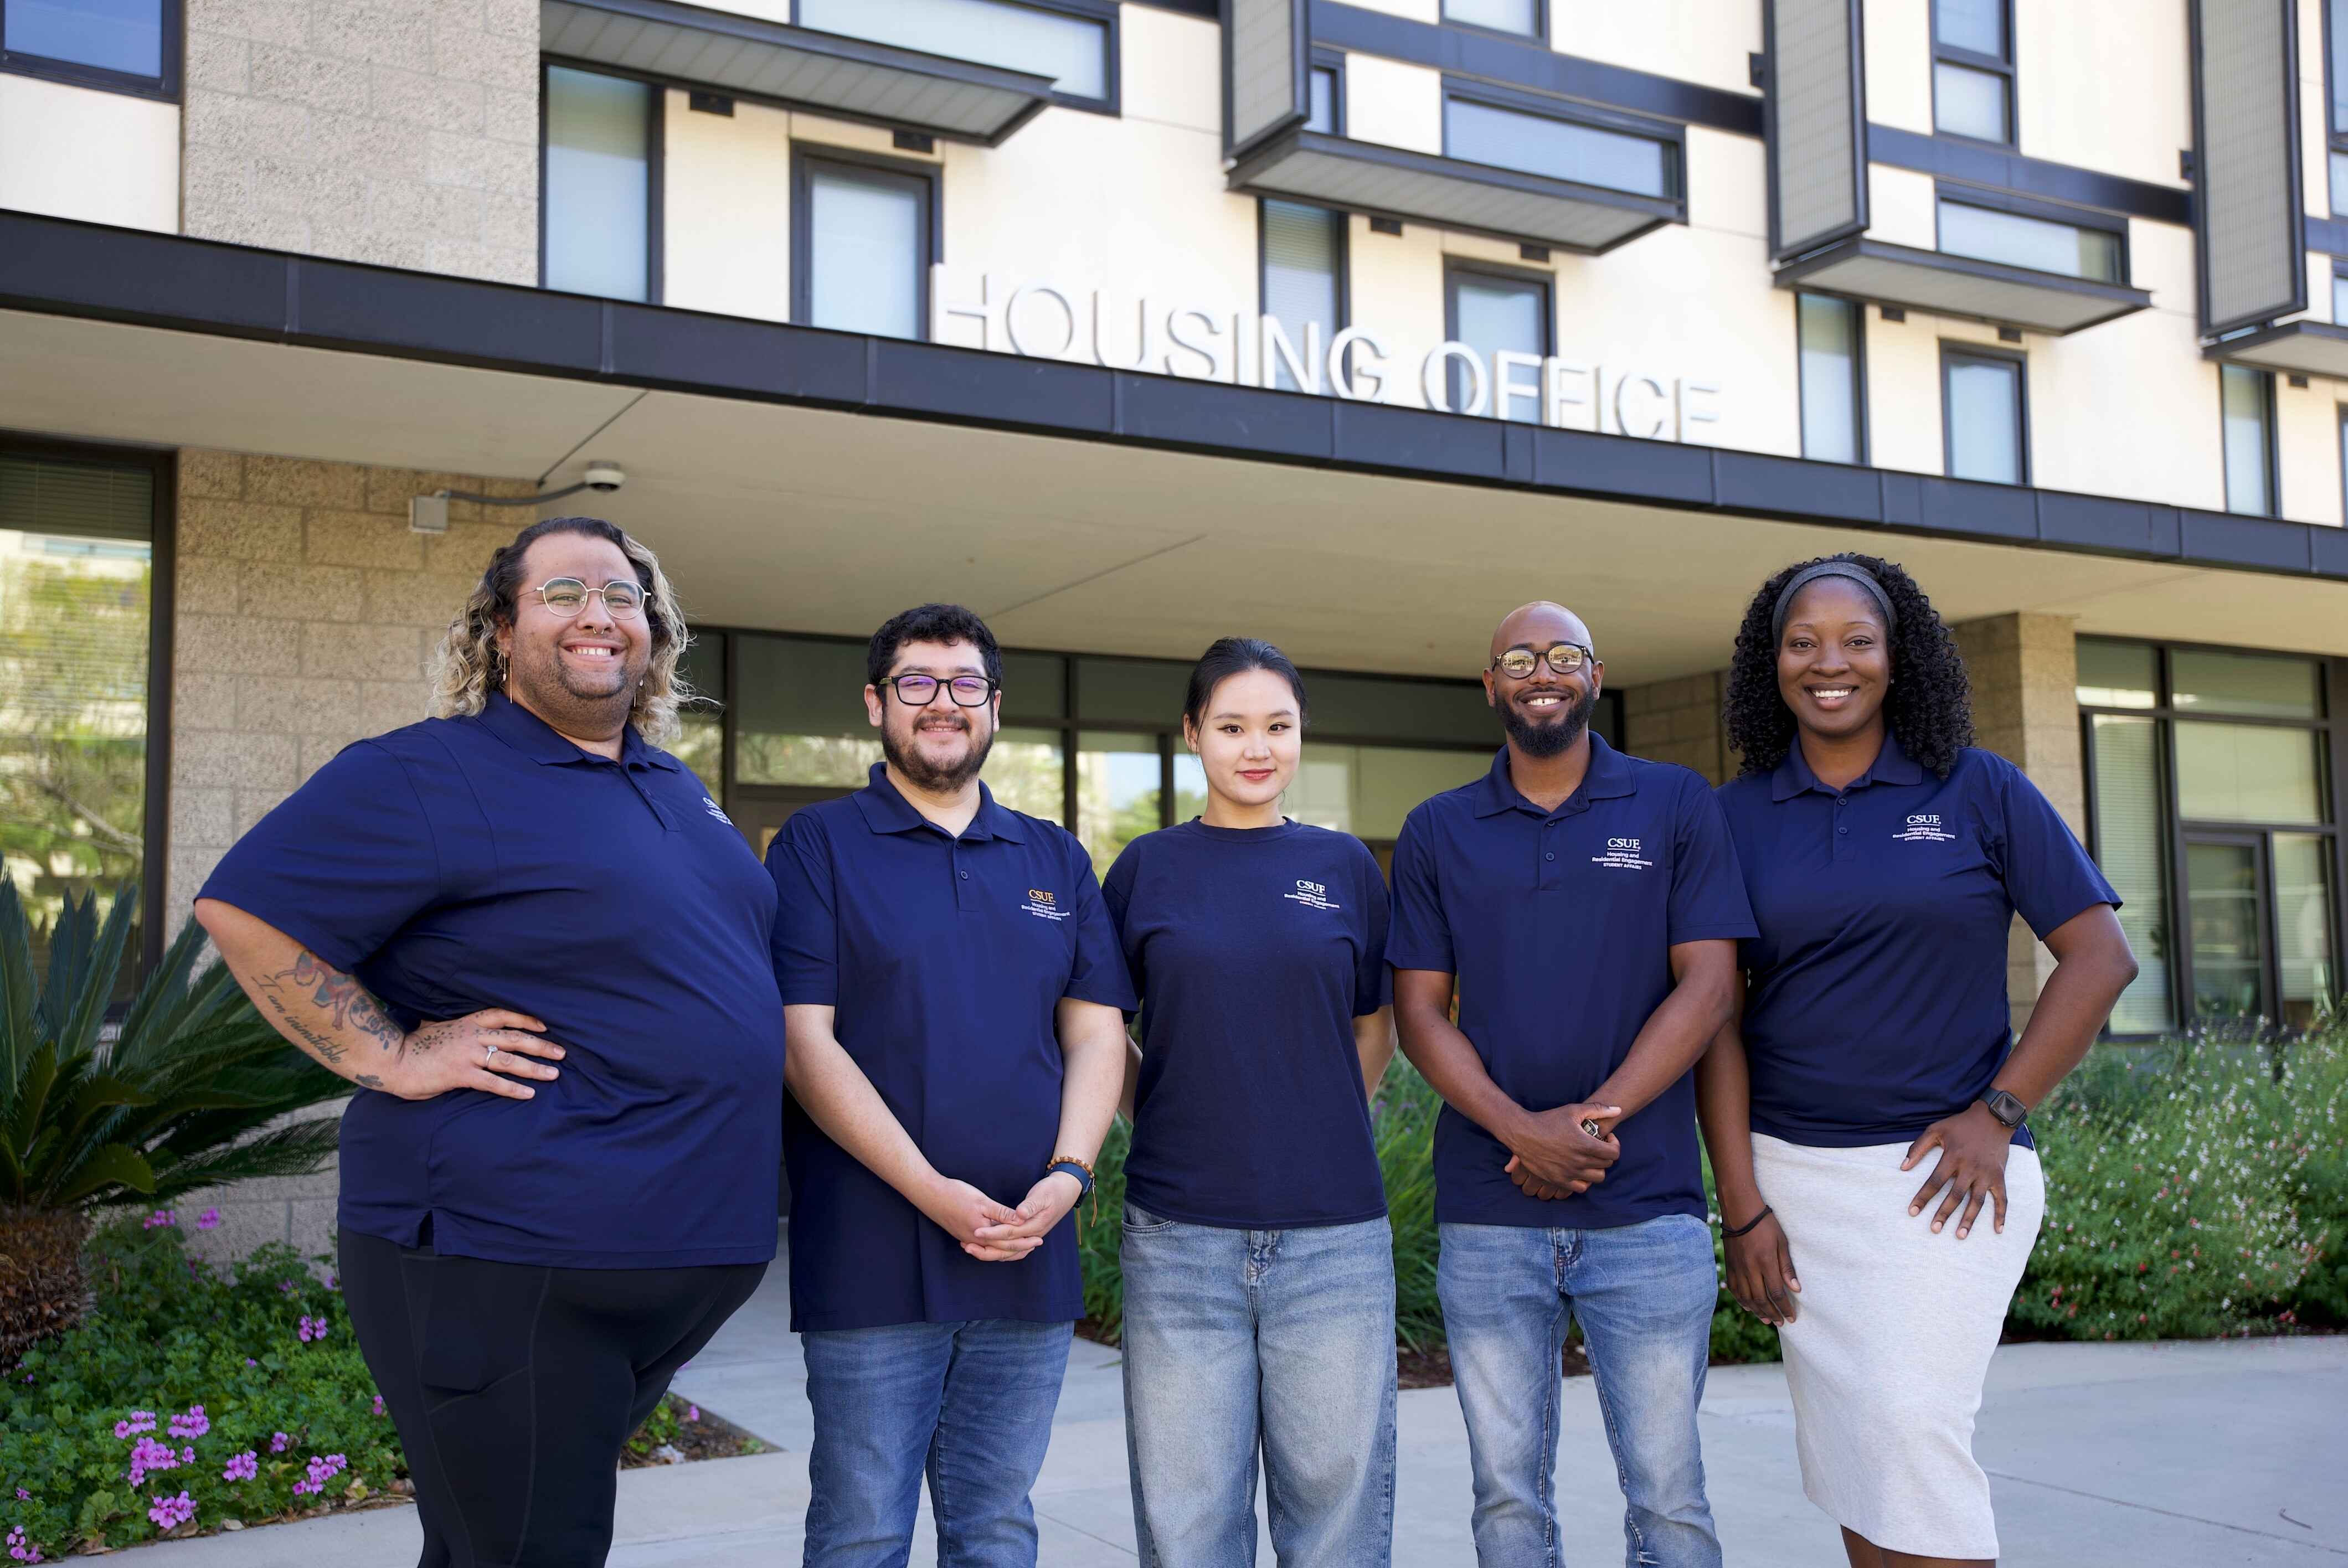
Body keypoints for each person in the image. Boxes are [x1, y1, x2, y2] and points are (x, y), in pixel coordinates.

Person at [194, 516, 783, 1568]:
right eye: (562, 593)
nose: (598, 614)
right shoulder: (427, 772)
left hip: (665, 1256)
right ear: (500, 631)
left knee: (494, 1546)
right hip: (499, 1255)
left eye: (622, 594)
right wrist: (388, 1056)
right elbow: (246, 911)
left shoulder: (672, 787)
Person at [1699, 554, 2136, 1568]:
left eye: (1858, 639)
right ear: (1772, 665)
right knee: (1863, 1456)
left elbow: (2100, 956)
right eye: (1802, 643)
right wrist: (1743, 1204)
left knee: (1908, 1432)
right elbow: (1717, 1017)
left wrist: (2000, 1111)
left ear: (1900, 659)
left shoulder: (1979, 788)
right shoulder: (1734, 817)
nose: (1829, 664)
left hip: (1946, 1176)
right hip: (1796, 1182)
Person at [765, 603, 1135, 1568]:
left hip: (1028, 1246)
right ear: (876, 704)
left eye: (964, 684)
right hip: (871, 1255)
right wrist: (936, 1195)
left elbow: (1097, 1033)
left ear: (995, 706)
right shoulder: (818, 846)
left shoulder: (1053, 857)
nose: (942, 704)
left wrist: (1068, 1179)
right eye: (916, 684)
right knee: (861, 1532)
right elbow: (806, 1043)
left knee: (998, 1526)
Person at [1388, 601, 1756, 1568]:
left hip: (1647, 1209)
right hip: (1489, 1214)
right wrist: (1524, 1130)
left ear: (1595, 675)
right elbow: (1421, 1012)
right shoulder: (1438, 829)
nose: (1540, 672)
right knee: (1507, 1501)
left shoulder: (1677, 804)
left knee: (1669, 1500)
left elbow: (1710, 985)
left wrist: (1587, 1125)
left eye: (1562, 656)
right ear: (1490, 685)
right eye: (1518, 657)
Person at [1103, 637, 1399, 1568]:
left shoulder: (1347, 867)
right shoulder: (1145, 870)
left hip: (1335, 1241)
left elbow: (1373, 1028)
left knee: (1337, 1525)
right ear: (1194, 734)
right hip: (1179, 1237)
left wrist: (1308, 1119)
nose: (1257, 747)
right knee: (1190, 1527)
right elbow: (1099, 1032)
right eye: (1232, 726)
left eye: (1278, 726)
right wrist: (1169, 1114)